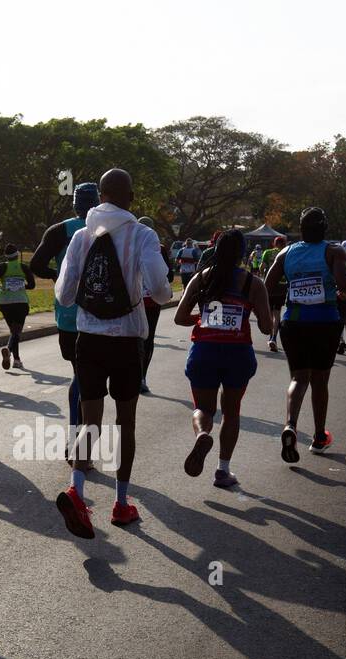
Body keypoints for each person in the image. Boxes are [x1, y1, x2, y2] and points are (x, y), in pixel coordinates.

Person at [52, 168, 172, 538]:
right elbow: (162, 291)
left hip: (87, 337)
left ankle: (77, 489)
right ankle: (121, 504)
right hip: (125, 339)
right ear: (131, 198)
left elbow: (64, 294)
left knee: (89, 419)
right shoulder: (142, 235)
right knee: (126, 423)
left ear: (100, 196)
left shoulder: (82, 236)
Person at [172, 229, 272, 489]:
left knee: (203, 409)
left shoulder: (201, 278)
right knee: (232, 412)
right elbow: (266, 327)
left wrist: (205, 319)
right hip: (238, 353)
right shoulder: (253, 283)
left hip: (204, 351)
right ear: (243, 254)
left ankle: (203, 434)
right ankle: (222, 470)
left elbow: (179, 317)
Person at [265, 207, 346, 462]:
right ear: (324, 228)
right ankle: (318, 437)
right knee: (320, 381)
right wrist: (340, 294)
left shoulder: (285, 252)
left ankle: (290, 425)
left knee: (298, 378)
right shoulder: (334, 251)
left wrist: (292, 286)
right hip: (325, 322)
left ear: (300, 229)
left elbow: (267, 285)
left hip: (293, 323)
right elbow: (344, 286)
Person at [29, 182, 99, 448]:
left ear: (74, 205)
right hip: (100, 313)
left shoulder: (59, 230)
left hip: (68, 313)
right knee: (90, 379)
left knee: (79, 375)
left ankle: (75, 435)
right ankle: (80, 441)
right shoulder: (110, 227)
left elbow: (36, 264)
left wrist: (58, 275)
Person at [137, 216, 174, 395]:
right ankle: (142, 377)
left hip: (131, 300)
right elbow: (169, 276)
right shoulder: (158, 249)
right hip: (151, 301)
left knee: (130, 337)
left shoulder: (127, 246)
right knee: (148, 338)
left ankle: (131, 375)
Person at [0, 243, 35, 370]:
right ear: (17, 255)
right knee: (16, 332)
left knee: (13, 331)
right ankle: (9, 351)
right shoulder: (23, 267)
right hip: (20, 301)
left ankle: (16, 360)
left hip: (5, 303)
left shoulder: (1, 267)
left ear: (6, 256)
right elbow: (32, 285)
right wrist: (22, 285)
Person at [259, 234, 288, 351]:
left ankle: (271, 335)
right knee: (277, 312)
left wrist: (263, 275)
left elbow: (262, 266)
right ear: (284, 244)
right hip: (282, 287)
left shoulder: (267, 252)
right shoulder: (286, 253)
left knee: (270, 312)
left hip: (269, 286)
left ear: (274, 244)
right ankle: (273, 337)